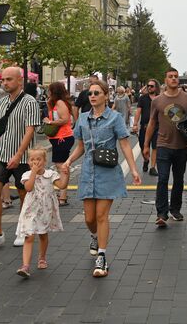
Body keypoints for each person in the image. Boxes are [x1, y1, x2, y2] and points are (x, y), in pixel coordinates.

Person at [63, 80, 141, 277]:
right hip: (88, 172)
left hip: (108, 171)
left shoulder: (114, 118)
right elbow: (80, 146)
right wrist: (68, 161)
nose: (93, 96)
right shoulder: (82, 118)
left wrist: (133, 169)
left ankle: (102, 257)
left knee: (101, 216)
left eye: (97, 93)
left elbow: (124, 145)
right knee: (89, 218)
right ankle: (95, 236)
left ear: (106, 96)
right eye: (90, 93)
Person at [0, 67, 42, 251]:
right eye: (3, 80)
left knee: (24, 193)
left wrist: (19, 154)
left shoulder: (30, 102)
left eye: (9, 79)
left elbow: (30, 130)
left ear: (19, 81)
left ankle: (23, 230)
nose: (5, 83)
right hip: (1, 155)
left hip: (22, 157)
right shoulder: (3, 102)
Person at [143, 68, 187, 227]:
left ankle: (175, 209)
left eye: (175, 76)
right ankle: (161, 213)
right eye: (170, 77)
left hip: (182, 146)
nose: (174, 79)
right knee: (163, 178)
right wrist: (146, 144)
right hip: (163, 144)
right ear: (165, 80)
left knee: (179, 179)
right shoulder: (157, 100)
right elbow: (152, 123)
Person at [15, 148, 69, 278]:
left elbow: (62, 185)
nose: (35, 162)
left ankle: (42, 258)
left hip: (45, 210)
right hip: (30, 210)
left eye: (38, 159)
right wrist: (33, 172)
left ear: (44, 161)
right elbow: (28, 188)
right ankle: (25, 266)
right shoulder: (27, 175)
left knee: (43, 234)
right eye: (32, 159)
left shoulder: (50, 174)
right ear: (28, 162)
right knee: (29, 236)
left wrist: (66, 174)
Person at [44, 82, 75, 206]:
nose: (48, 92)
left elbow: (65, 119)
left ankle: (63, 195)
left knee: (61, 166)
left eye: (49, 90)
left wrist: (50, 122)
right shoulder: (56, 103)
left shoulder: (60, 103)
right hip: (59, 138)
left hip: (63, 137)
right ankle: (63, 193)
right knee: (61, 165)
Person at [132, 79, 160, 176]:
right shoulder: (143, 98)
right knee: (143, 146)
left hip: (157, 127)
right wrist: (135, 124)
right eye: (148, 86)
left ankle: (152, 167)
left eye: (151, 86)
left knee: (155, 147)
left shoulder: (160, 98)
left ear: (156, 87)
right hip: (144, 127)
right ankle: (146, 160)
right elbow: (138, 111)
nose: (149, 87)